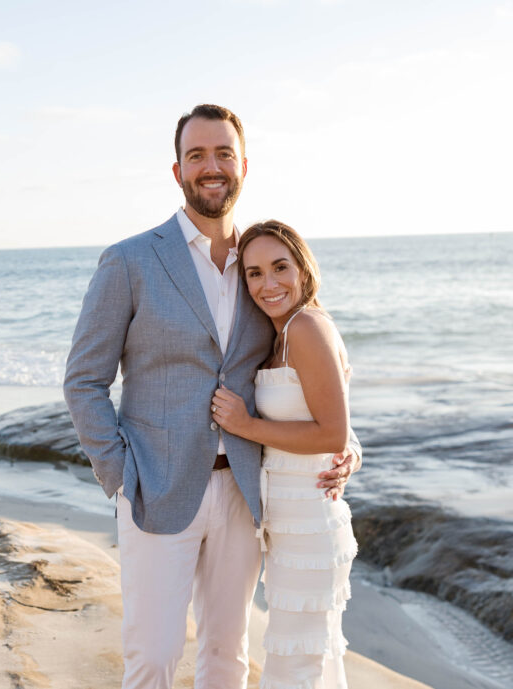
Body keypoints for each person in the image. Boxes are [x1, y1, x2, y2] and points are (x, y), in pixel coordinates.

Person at [63, 104, 361, 689]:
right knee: (153, 656)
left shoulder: (259, 267)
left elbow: (310, 376)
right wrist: (120, 476)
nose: (211, 166)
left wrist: (346, 445)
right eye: (196, 155)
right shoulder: (130, 260)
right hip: (155, 488)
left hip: (247, 492)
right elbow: (83, 381)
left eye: (223, 153)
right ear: (178, 171)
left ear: (243, 166)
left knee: (227, 655)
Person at [210, 220, 356, 689]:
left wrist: (246, 425)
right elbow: (338, 426)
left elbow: (332, 432)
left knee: (296, 665)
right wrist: (353, 453)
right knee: (308, 660)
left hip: (310, 524)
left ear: (303, 269)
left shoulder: (306, 327)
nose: (268, 284)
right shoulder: (283, 333)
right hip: (291, 525)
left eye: (280, 267)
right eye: (254, 273)